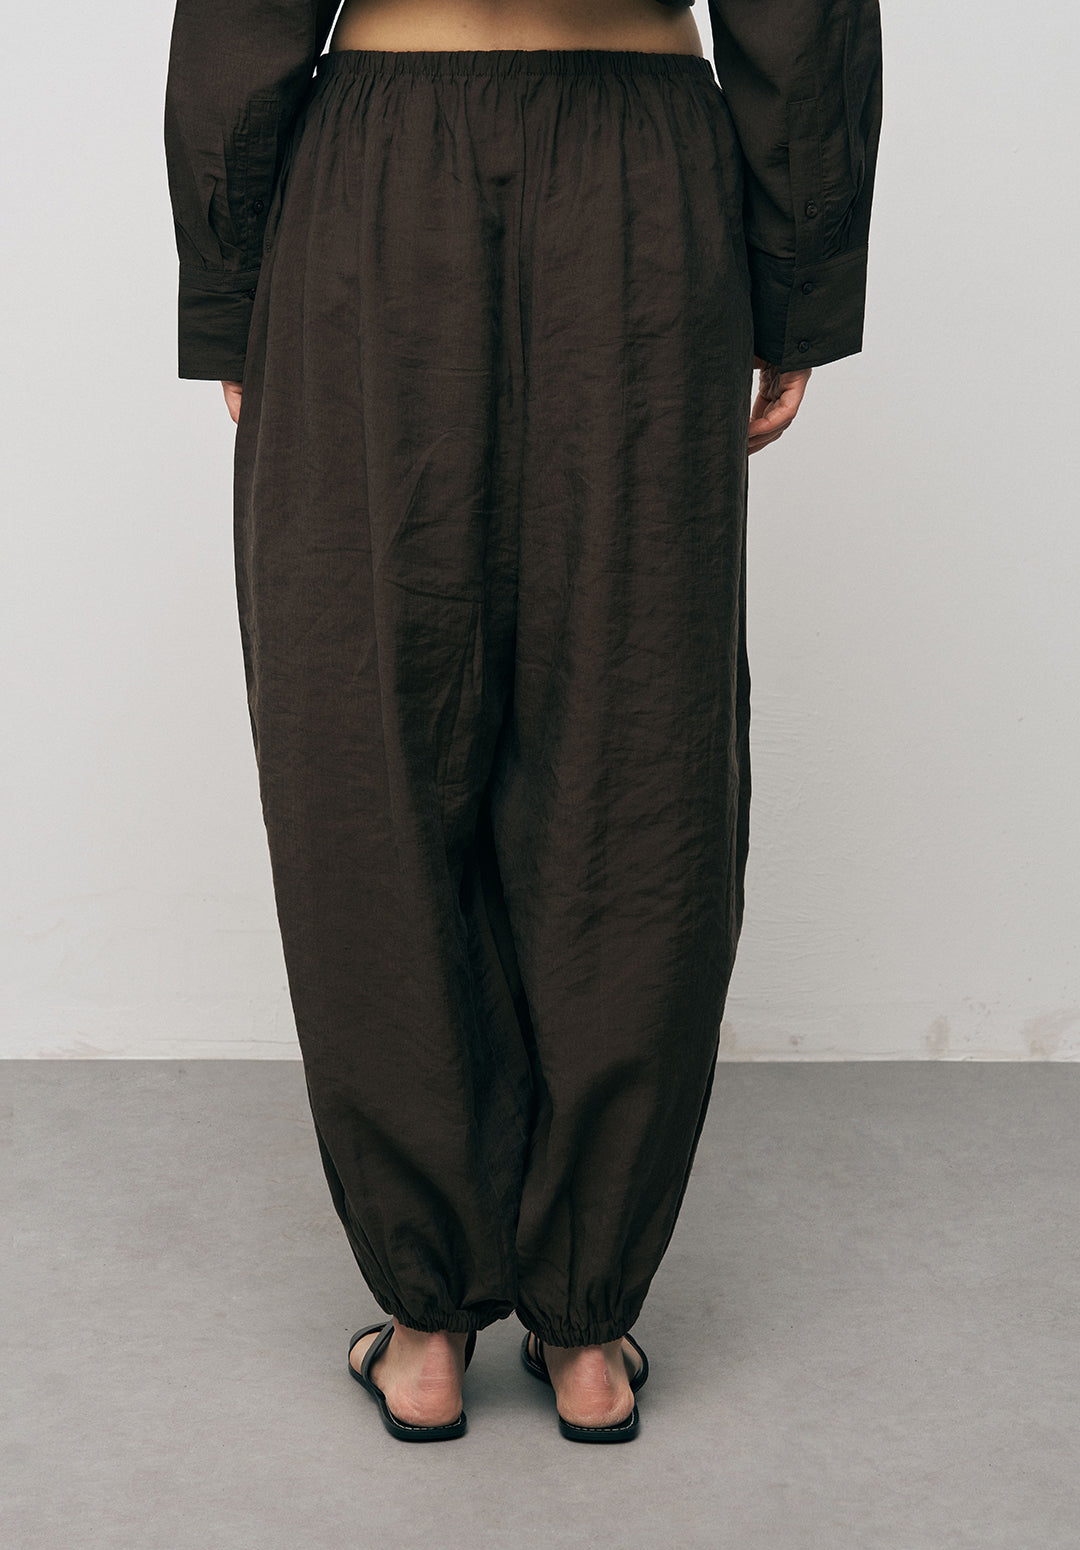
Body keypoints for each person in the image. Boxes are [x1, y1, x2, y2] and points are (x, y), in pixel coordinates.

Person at [164, 0, 883, 1443]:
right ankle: (589, 1328)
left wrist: (232, 285)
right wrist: (794, 278)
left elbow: (244, 16)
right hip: (640, 181)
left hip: (379, 183)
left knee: (367, 724)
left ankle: (428, 1326)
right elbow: (798, 15)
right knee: (637, 732)